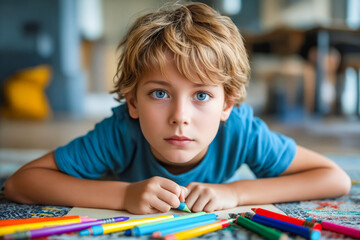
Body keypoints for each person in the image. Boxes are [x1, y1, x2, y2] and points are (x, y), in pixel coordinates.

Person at [4, 2, 350, 215]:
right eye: (159, 94)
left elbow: (335, 178)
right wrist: (124, 194)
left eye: (201, 96)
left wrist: (235, 192)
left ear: (227, 103)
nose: (180, 116)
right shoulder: (121, 131)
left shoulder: (240, 130)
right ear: (132, 101)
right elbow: (20, 184)